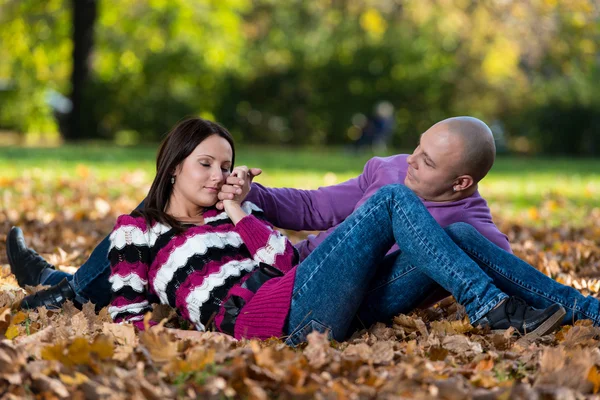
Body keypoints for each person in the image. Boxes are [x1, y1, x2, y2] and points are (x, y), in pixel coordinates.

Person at [9, 117, 599, 331]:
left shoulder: (472, 217)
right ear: (177, 166)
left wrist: (242, 211)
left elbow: (281, 259)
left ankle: (575, 309)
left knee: (455, 238)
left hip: (337, 296)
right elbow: (313, 210)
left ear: (461, 181)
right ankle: (59, 284)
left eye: (227, 166)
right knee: (391, 201)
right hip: (299, 299)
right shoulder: (388, 172)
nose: (407, 161)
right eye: (207, 165)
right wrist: (252, 198)